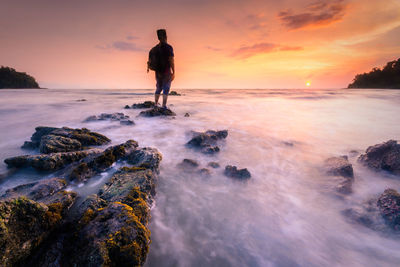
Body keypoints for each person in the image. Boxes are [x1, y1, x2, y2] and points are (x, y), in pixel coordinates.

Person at [147, 29, 175, 108]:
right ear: (166, 36)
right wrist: (174, 72)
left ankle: (155, 104)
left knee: (158, 88)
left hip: (158, 72)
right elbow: (171, 60)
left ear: (158, 38)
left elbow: (150, 61)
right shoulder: (168, 47)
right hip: (166, 72)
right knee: (166, 88)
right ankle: (164, 106)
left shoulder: (154, 49)